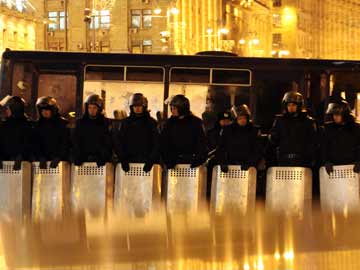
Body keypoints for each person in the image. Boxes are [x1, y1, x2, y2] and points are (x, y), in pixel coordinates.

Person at [270, 91, 317, 167]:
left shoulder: (308, 121)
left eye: (294, 105)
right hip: (283, 159)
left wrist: (311, 158)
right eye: (289, 105)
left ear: (299, 105)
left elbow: (313, 142)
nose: (291, 107)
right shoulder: (280, 120)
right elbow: (273, 140)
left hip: (302, 160)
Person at [114, 93, 160, 172]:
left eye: (139, 106)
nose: (137, 108)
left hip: (146, 162)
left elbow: (156, 143)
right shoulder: (125, 123)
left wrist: (151, 160)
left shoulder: (151, 123)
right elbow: (119, 142)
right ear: (131, 107)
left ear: (144, 107)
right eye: (135, 106)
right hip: (129, 162)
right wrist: (123, 159)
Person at [161, 95, 208, 169]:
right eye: (171, 108)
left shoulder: (196, 123)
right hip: (173, 163)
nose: (172, 111)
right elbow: (164, 143)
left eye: (175, 108)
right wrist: (168, 161)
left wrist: (198, 160)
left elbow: (202, 144)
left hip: (192, 163)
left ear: (182, 108)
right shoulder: (170, 123)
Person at [216, 105, 261, 172]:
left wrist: (250, 163)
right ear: (236, 119)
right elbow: (221, 148)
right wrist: (223, 163)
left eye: (244, 118)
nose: (242, 120)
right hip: (231, 166)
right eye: (240, 118)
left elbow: (257, 149)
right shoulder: (228, 130)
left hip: (248, 167)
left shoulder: (253, 130)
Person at [72, 94, 112, 167]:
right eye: (89, 108)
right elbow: (76, 140)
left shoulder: (105, 122)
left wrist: (102, 156)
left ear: (99, 109)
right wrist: (79, 156)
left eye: (94, 108)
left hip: (100, 161)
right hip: (83, 160)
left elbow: (107, 142)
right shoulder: (81, 122)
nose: (91, 110)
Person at [321, 101, 360, 174]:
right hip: (334, 168)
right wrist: (326, 161)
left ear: (344, 114)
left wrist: (359, 161)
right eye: (334, 114)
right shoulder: (328, 128)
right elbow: (324, 146)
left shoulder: (355, 128)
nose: (335, 117)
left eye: (338, 114)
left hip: (352, 167)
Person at [32, 96, 70, 169]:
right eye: (42, 110)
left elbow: (65, 143)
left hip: (60, 163)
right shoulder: (37, 125)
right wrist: (40, 157)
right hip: (42, 162)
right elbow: (36, 143)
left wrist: (59, 157)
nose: (44, 112)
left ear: (53, 110)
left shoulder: (62, 124)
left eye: (47, 110)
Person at [0, 96, 32, 170]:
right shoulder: (4, 125)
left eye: (8, 109)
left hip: (23, 165)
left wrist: (21, 156)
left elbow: (29, 143)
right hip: (5, 163)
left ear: (14, 109)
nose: (6, 111)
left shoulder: (27, 125)